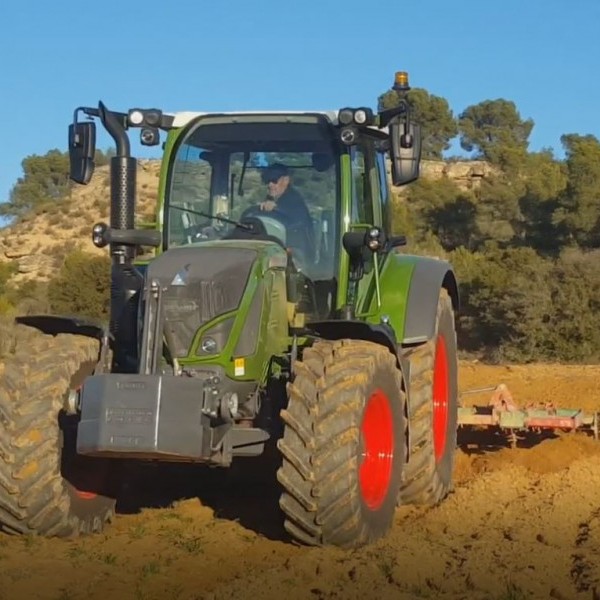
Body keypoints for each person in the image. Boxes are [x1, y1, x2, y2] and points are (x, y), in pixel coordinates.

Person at [259, 163, 315, 259]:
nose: (270, 185)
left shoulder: (294, 201)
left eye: (274, 180)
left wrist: (276, 208)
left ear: (286, 180)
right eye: (267, 181)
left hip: (296, 255)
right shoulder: (272, 199)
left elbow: (297, 221)